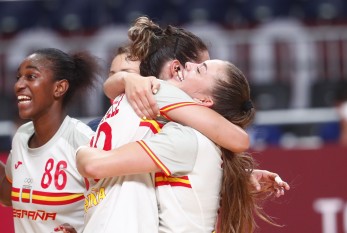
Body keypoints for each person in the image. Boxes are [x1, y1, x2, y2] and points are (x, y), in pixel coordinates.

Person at [63, 16, 287, 233]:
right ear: (174, 68)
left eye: (200, 68)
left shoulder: (169, 120)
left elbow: (235, 141)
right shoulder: (160, 105)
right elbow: (235, 140)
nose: (191, 66)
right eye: (197, 63)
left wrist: (82, 152)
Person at [0, 48, 102, 233]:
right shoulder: (21, 136)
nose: (18, 86)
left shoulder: (83, 142)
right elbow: (7, 196)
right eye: (18, 78)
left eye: (31, 76)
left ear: (59, 88)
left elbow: (115, 213)